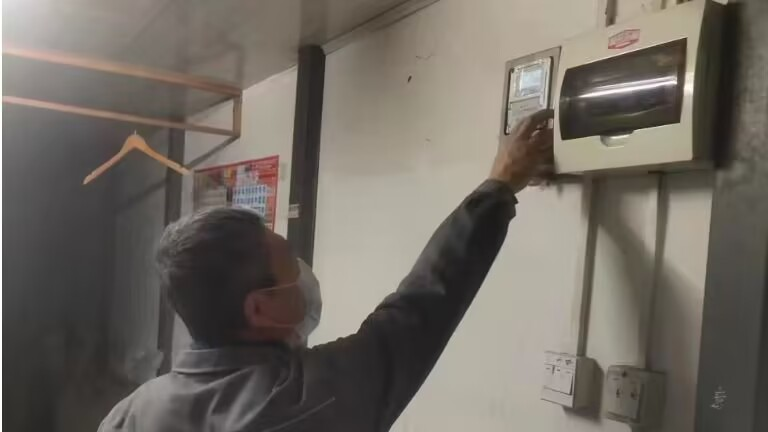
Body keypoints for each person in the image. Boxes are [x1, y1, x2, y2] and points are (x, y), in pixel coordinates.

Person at [98, 109, 554, 432]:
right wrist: (499, 186)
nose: (303, 275)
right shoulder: (305, 401)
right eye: (288, 267)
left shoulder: (128, 416)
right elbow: (421, 307)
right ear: (258, 308)